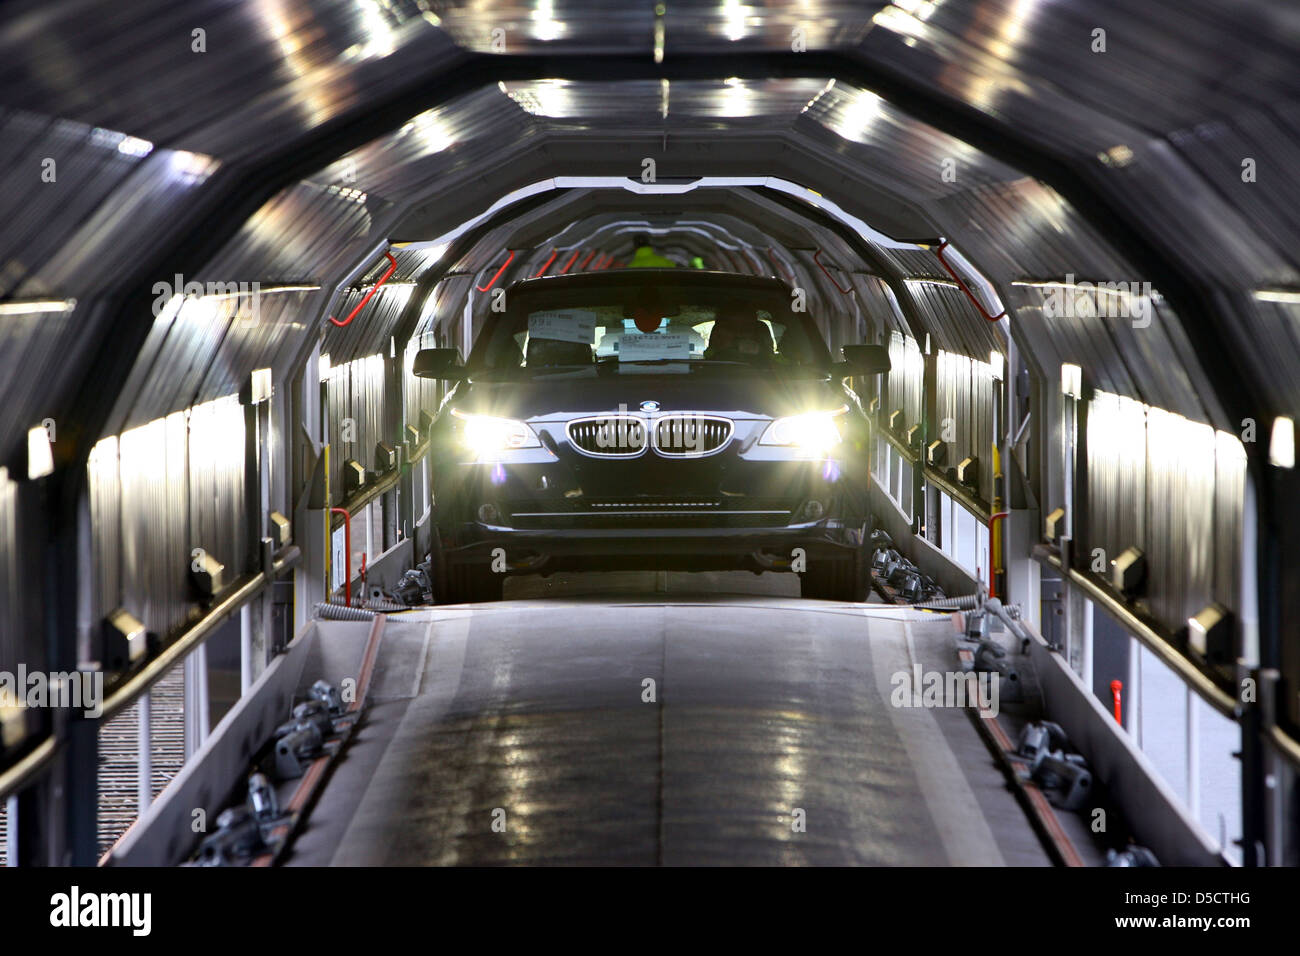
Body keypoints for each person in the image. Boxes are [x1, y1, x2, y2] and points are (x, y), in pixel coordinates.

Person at [703, 304, 774, 364]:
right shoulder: (707, 364)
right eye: (730, 328)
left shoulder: (773, 368)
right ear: (717, 333)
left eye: (745, 329)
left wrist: (761, 352)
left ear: (756, 332)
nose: (738, 334)